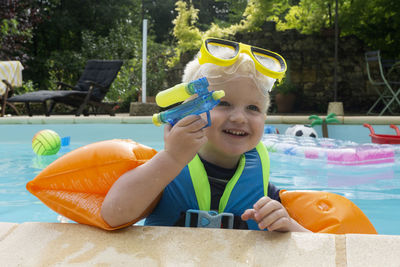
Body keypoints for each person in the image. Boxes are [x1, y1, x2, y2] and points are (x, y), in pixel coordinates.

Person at [101, 38, 310, 232]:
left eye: (253, 108)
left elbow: (315, 246)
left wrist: (288, 225)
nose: (239, 117)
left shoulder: (263, 191)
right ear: (189, 110)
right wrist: (172, 158)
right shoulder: (164, 174)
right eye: (222, 103)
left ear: (264, 119)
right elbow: (112, 215)